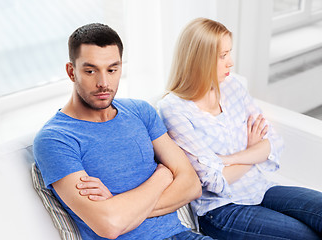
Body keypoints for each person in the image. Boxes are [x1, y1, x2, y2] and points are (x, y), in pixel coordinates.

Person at [34, 23, 214, 240]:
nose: (104, 83)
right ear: (72, 72)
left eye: (112, 69)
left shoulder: (140, 111)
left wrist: (120, 207)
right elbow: (109, 225)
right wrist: (164, 175)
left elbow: (192, 186)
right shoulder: (55, 139)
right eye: (90, 71)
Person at [158, 18, 322, 239]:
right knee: (304, 236)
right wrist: (253, 152)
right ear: (200, 60)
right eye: (223, 56)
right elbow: (214, 181)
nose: (231, 62)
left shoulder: (232, 85)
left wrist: (228, 160)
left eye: (229, 53)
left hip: (260, 188)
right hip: (221, 209)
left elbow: (273, 142)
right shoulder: (173, 108)